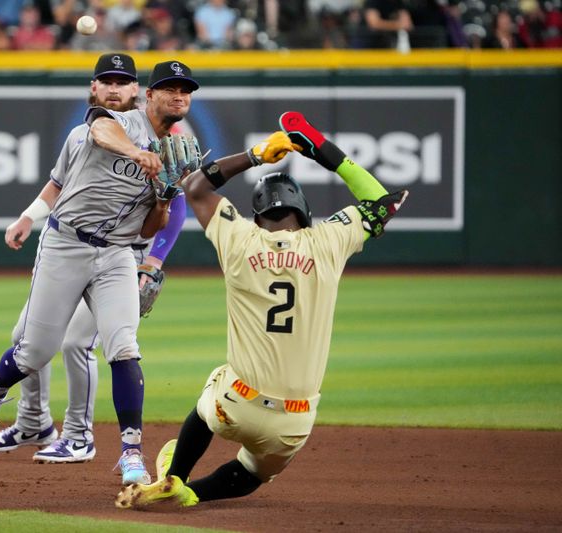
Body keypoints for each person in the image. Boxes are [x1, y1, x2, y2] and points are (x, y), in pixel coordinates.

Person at [115, 111, 408, 508]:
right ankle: (192, 494)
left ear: (257, 215)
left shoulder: (239, 237)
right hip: (295, 421)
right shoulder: (329, 242)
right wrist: (320, 149)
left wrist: (254, 155)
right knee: (253, 474)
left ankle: (175, 477)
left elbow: (196, 188)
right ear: (303, 211)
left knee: (215, 388)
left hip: (236, 404)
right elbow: (382, 201)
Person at [0, 58, 201, 486]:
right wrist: (136, 152)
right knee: (35, 350)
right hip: (66, 244)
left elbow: (149, 228)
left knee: (123, 347)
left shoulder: (177, 150)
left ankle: (130, 452)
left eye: (185, 90)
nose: (178, 95)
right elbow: (99, 130)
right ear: (149, 95)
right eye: (169, 88)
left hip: (116, 256)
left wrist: (163, 198)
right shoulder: (117, 120)